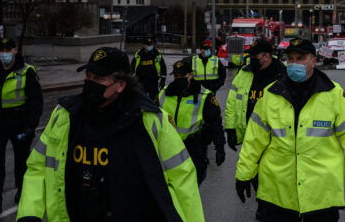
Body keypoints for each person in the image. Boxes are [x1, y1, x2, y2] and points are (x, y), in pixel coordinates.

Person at [16, 47, 204, 222]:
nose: (90, 83)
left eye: (99, 78)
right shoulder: (65, 116)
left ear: (121, 84)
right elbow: (38, 167)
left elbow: (182, 178)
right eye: (88, 76)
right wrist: (29, 215)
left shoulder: (151, 121)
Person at [235, 38, 345, 222]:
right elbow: (254, 140)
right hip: (277, 194)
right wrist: (244, 174)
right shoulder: (270, 95)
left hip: (320, 195)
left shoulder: (333, 95)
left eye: (300, 58)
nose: (294, 64)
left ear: (314, 61)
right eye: (290, 59)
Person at [0, 38, 43, 217]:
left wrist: (31, 126)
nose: (4, 52)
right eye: (1, 49)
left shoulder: (27, 71)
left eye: (8, 49)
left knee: (22, 160)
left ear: (15, 50)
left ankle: (22, 190)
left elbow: (37, 101)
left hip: (19, 122)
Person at [159, 58, 225, 186]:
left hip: (193, 147)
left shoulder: (204, 96)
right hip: (168, 146)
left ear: (191, 75)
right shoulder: (164, 93)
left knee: (193, 183)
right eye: (176, 76)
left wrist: (220, 147)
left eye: (182, 75)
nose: (179, 79)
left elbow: (215, 123)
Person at [224, 38, 287, 151]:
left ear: (267, 56)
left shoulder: (283, 74)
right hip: (249, 137)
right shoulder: (244, 72)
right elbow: (231, 102)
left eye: (255, 57)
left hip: (274, 140)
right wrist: (230, 129)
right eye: (251, 56)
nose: (252, 60)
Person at [130, 37, 167, 103]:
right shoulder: (139, 54)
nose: (150, 46)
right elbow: (132, 66)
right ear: (144, 45)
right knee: (140, 101)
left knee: (155, 102)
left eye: (151, 45)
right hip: (141, 81)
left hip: (153, 81)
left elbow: (163, 67)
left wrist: (163, 80)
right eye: (148, 45)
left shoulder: (156, 54)